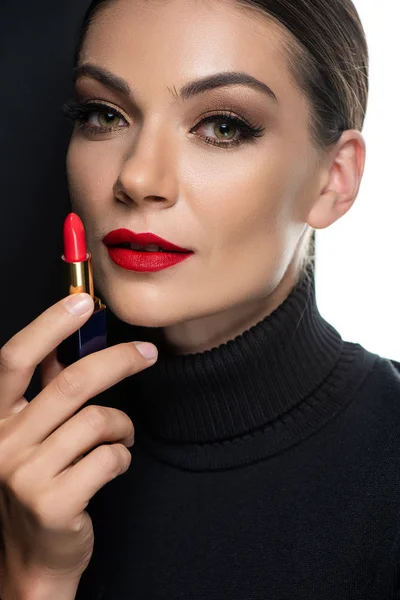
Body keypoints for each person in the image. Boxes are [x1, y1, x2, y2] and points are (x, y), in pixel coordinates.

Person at [1, 0, 399, 598]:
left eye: (222, 126)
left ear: (334, 179)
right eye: (103, 114)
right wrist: (35, 576)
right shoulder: (25, 463)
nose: (137, 177)